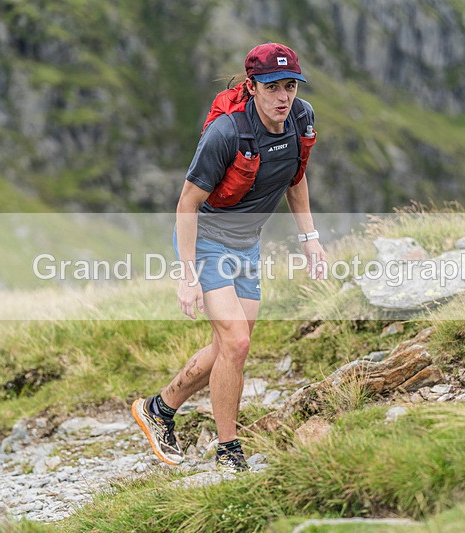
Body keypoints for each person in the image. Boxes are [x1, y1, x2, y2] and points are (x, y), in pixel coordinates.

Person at [132, 42, 326, 472]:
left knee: (229, 348)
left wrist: (308, 237)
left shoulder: (300, 118)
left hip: (247, 244)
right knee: (237, 340)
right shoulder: (227, 134)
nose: (284, 96)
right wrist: (187, 276)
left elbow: (295, 176)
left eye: (290, 85)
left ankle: (158, 409)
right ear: (253, 86)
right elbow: (186, 204)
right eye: (273, 86)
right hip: (208, 241)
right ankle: (229, 451)